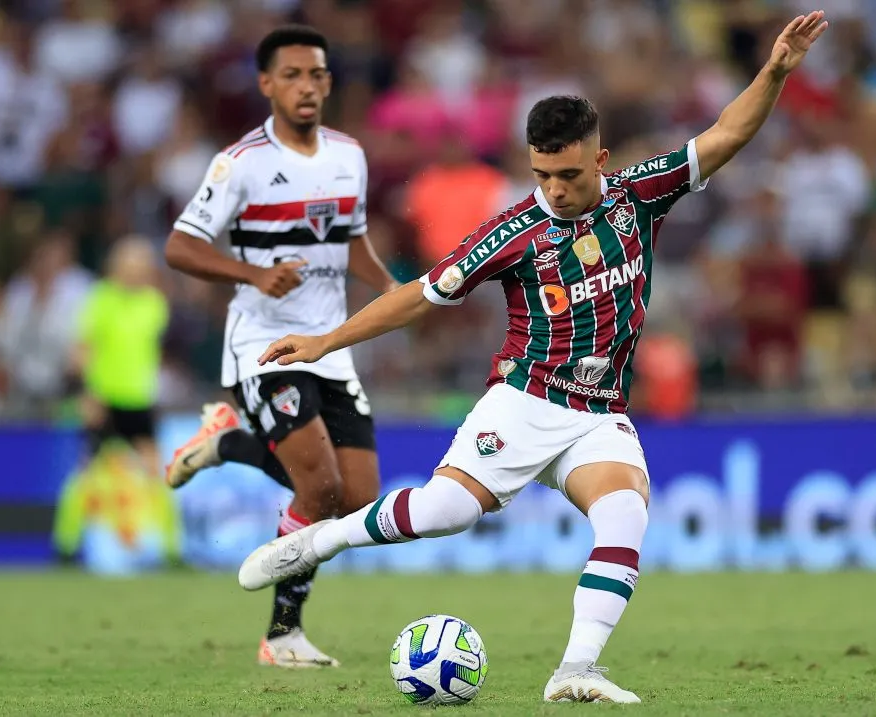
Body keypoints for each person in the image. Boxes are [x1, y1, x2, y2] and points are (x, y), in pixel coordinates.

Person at [238, 12, 828, 703]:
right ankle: (323, 541)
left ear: (599, 161)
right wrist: (323, 342)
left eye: (568, 175)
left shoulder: (641, 195)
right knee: (443, 512)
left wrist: (776, 71)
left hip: (597, 414)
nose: (554, 189)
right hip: (523, 403)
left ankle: (575, 670)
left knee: (627, 514)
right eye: (542, 174)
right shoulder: (514, 232)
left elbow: (727, 132)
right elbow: (419, 297)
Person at [162, 25, 399, 667]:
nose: (306, 86)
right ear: (266, 84)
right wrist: (254, 274)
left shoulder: (349, 154)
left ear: (328, 82)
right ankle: (283, 635)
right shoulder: (240, 163)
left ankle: (225, 443)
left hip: (329, 346)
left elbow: (352, 239)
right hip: (264, 346)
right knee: (317, 488)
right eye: (291, 75)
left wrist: (398, 291)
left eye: (316, 75)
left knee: (357, 503)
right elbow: (180, 245)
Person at [76, 236, 169, 475]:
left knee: (151, 468)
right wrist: (88, 391)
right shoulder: (100, 298)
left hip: (139, 398)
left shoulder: (154, 303)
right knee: (95, 469)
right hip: (103, 396)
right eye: (130, 266)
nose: (135, 273)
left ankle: (151, 512)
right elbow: (83, 347)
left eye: (141, 267)